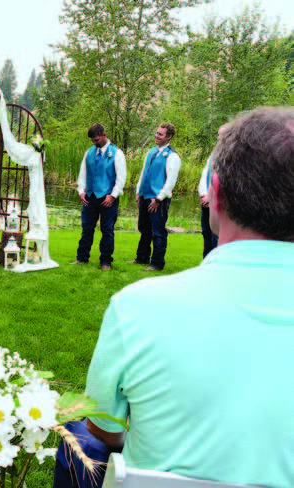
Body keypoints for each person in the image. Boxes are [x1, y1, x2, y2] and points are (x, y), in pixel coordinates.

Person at [54, 107, 294, 488]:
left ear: (216, 193)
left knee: (75, 429)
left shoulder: (135, 308)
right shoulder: (134, 155)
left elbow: (105, 433)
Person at [72, 123, 126, 270]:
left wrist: (113, 196)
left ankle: (106, 262)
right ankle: (82, 258)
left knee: (107, 230)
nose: (94, 143)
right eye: (92, 141)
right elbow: (82, 174)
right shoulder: (89, 152)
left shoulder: (117, 153)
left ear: (103, 135)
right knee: (87, 229)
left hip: (108, 198)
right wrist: (81, 191)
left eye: (96, 140)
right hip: (89, 196)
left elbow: (121, 178)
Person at [131, 123, 181, 271]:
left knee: (158, 231)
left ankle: (157, 263)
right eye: (157, 133)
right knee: (144, 228)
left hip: (158, 199)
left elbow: (171, 181)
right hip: (145, 196)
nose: (156, 135)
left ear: (169, 137)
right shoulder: (151, 152)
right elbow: (144, 172)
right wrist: (138, 192)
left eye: (160, 134)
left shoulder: (172, 156)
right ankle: (142, 258)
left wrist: (159, 198)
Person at [198, 126, 227, 259]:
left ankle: (217, 262)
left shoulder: (230, 155)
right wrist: (203, 194)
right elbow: (205, 173)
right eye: (218, 135)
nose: (218, 138)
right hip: (207, 200)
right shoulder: (213, 154)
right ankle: (206, 261)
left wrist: (212, 197)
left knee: (217, 235)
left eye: (221, 135)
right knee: (206, 232)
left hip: (219, 202)